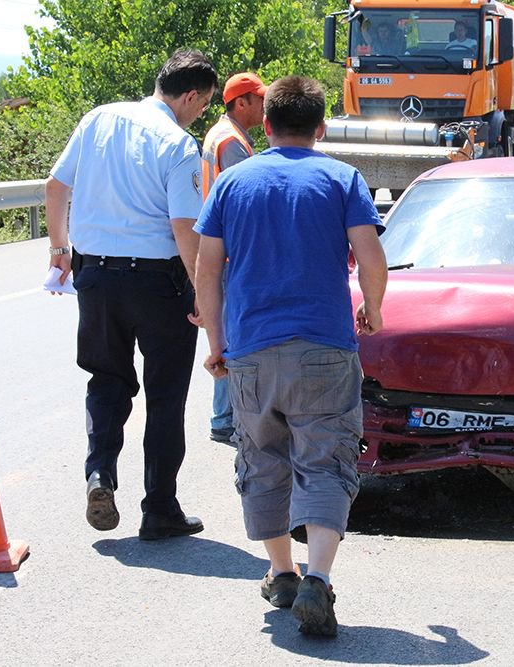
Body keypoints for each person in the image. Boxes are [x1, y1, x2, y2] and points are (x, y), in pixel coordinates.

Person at [194, 75, 388, 636]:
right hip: (325, 346)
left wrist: (216, 343)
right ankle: (318, 580)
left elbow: (208, 269)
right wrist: (372, 308)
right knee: (326, 459)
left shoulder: (233, 184)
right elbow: (370, 257)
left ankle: (281, 572)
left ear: (268, 125)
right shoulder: (341, 178)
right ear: (321, 128)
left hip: (252, 349)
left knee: (262, 459)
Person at [44, 48, 217, 540]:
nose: (199, 113)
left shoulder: (98, 119)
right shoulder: (178, 144)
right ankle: (159, 507)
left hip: (94, 276)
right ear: (189, 96)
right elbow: (185, 228)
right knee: (165, 396)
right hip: (159, 283)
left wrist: (60, 248)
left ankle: (100, 472)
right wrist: (203, 292)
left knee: (106, 379)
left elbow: (56, 188)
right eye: (202, 104)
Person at [200, 71, 268, 445]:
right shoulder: (232, 142)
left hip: (220, 247)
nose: (263, 108)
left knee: (226, 334)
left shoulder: (219, 133)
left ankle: (224, 416)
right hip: (231, 251)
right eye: (259, 100)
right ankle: (225, 419)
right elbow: (251, 196)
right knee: (233, 337)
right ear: (241, 102)